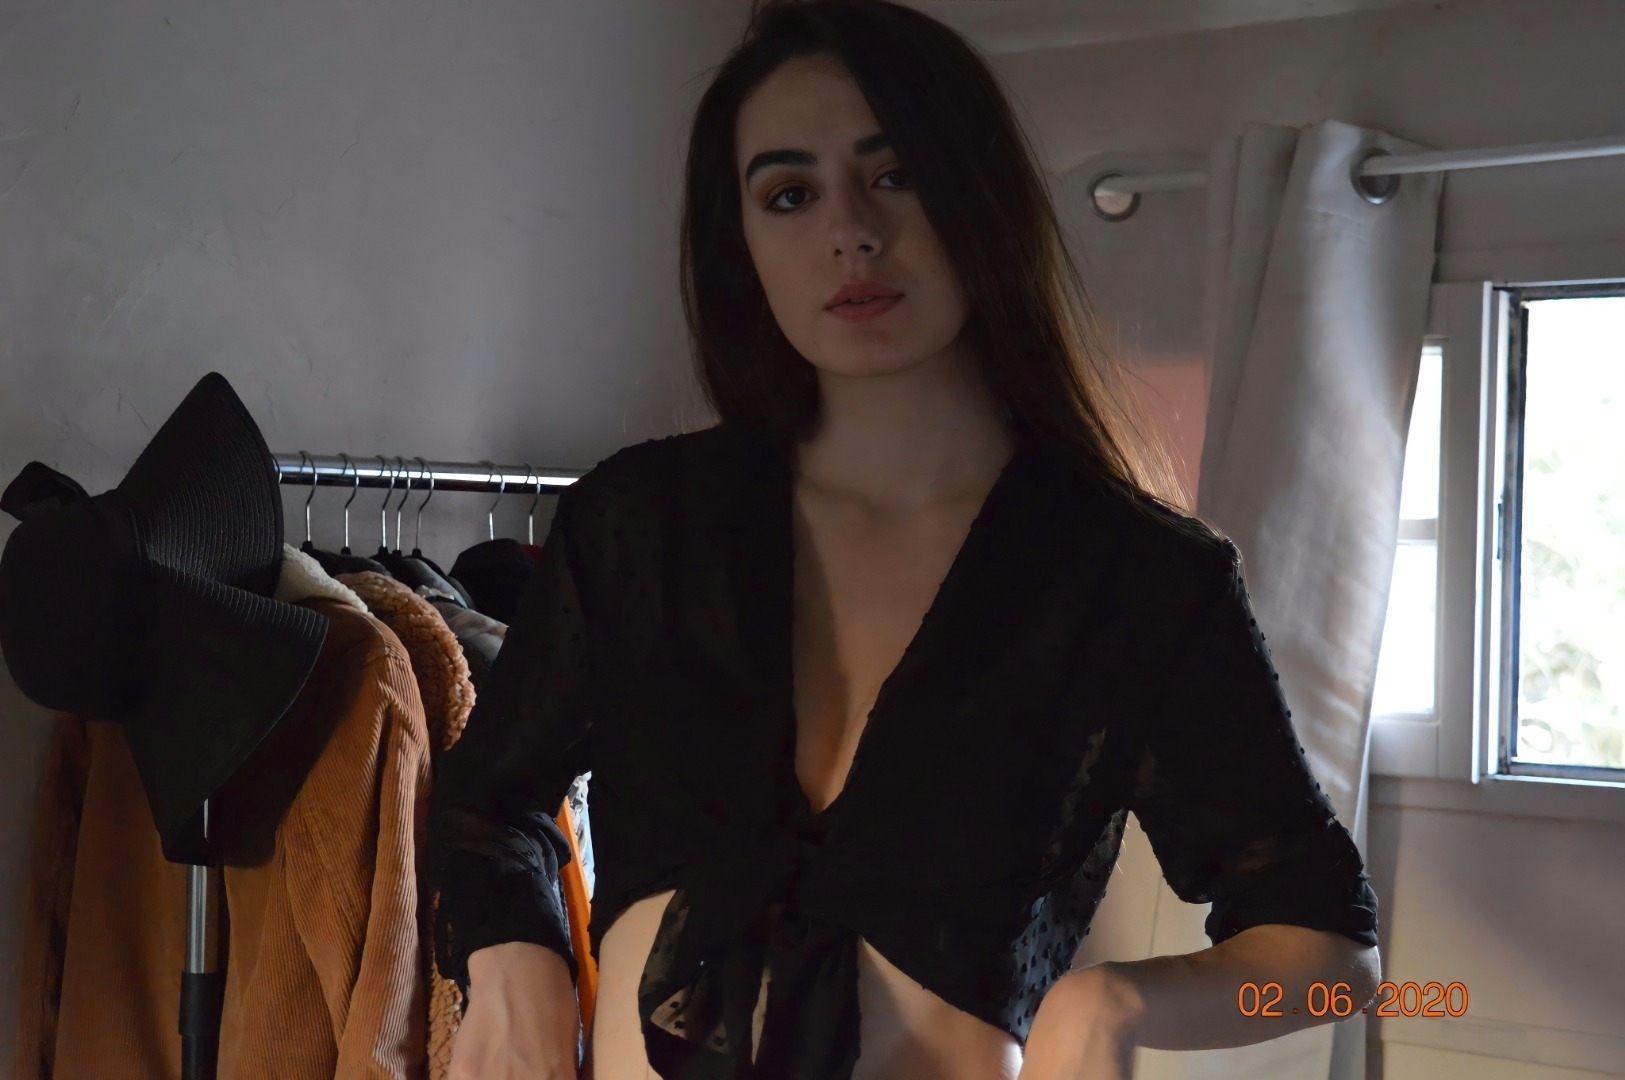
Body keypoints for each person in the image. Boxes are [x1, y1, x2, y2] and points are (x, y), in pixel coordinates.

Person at [426, 2, 1383, 1078]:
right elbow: (485, 802)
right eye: (789, 194)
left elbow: (1338, 958)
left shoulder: (1134, 577)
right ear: (741, 242)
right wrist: (514, 961)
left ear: (980, 197)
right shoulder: (641, 522)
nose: (850, 231)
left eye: (896, 175)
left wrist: (1113, 1005)